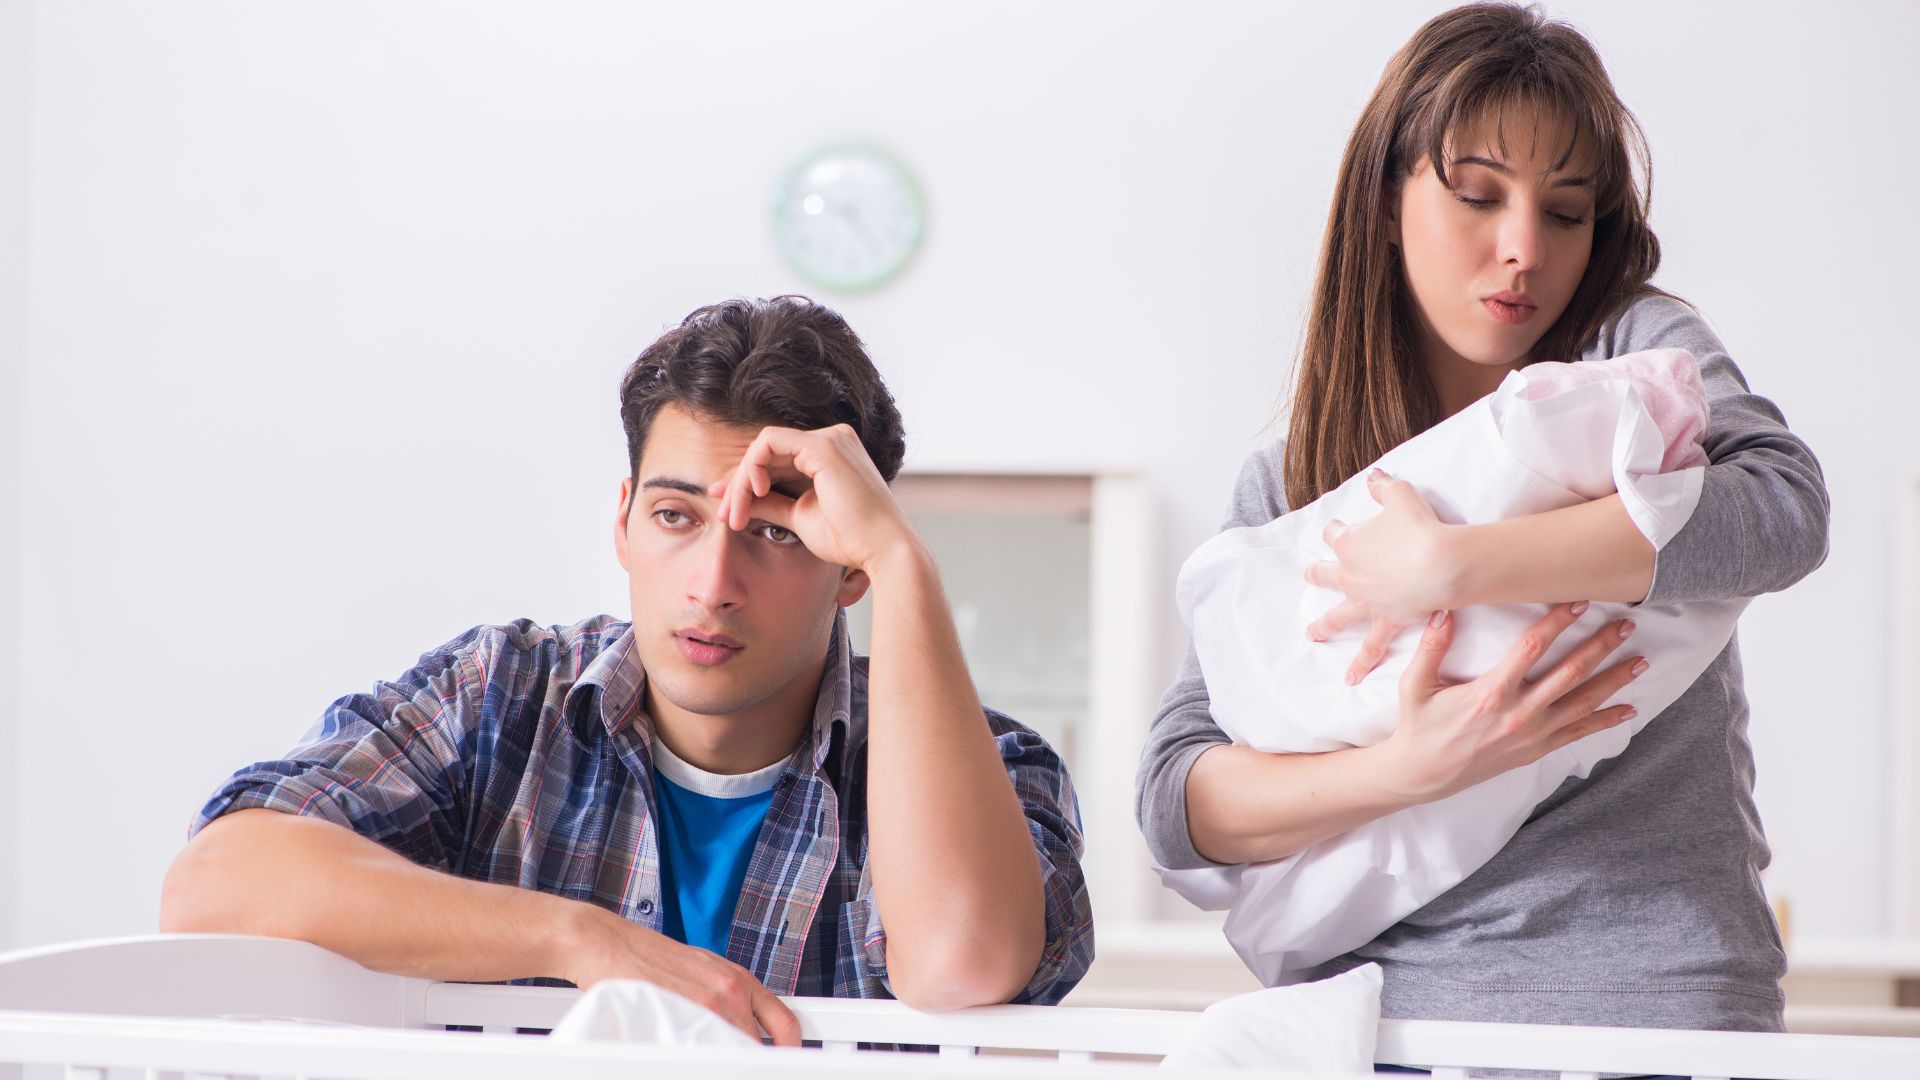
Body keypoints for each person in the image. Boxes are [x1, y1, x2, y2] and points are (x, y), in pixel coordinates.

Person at [1135, 2, 1827, 1033]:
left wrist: (1457, 567)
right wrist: (1409, 770)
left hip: (1657, 1000)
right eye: (1477, 195)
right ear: (1384, 200)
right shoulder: (1294, 475)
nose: (1522, 250)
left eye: (1565, 211)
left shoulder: (1632, 352)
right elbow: (1176, 803)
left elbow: (1784, 511)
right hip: (1389, 1017)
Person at [162, 296, 1095, 1043]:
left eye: (773, 532)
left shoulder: (993, 767)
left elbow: (960, 964)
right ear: (622, 520)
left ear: (847, 566)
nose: (714, 583)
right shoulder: (501, 695)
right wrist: (579, 938)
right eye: (676, 517)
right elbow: (215, 883)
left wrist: (905, 564)